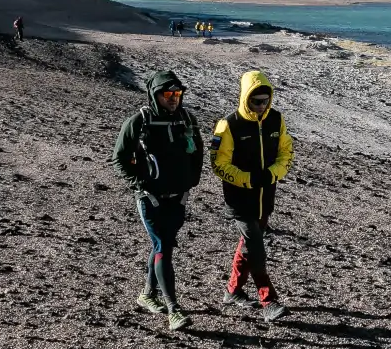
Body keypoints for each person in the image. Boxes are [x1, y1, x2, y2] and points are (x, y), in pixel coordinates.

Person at [111, 70, 203, 330]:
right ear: (155, 95)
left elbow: (198, 153)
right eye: (167, 94)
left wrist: (191, 182)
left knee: (162, 246)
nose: (173, 98)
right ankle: (173, 309)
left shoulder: (187, 119)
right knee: (163, 245)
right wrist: (138, 184)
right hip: (150, 199)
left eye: (177, 93)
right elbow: (119, 158)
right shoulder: (138, 122)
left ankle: (147, 295)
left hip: (178, 198)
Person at [210, 69, 294, 321]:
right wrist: (247, 180)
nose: (261, 106)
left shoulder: (276, 120)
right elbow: (218, 164)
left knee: (247, 246)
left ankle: (232, 291)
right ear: (245, 98)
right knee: (256, 248)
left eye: (265, 100)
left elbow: (286, 152)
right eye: (256, 101)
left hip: (265, 198)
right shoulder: (229, 125)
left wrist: (272, 174)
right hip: (239, 200)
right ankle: (268, 300)